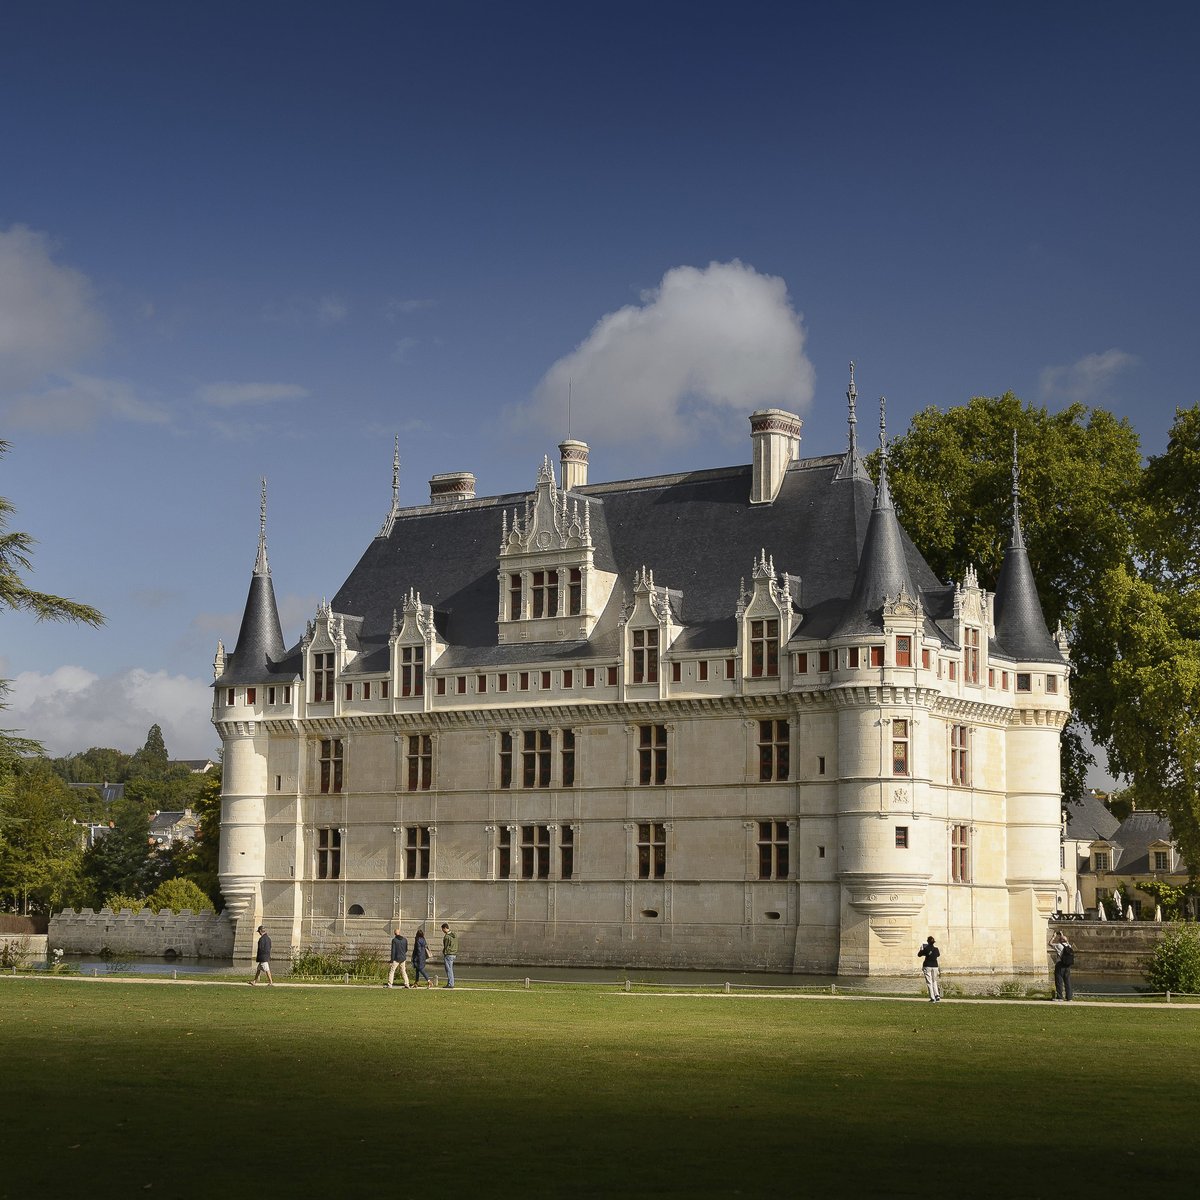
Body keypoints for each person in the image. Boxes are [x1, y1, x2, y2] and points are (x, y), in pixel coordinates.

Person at [1049, 930, 1074, 1001]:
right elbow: (1066, 941)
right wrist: (1062, 935)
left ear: (1060, 940)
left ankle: (1060, 997)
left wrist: (1053, 937)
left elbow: (1050, 943)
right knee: (1067, 982)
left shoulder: (1058, 946)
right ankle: (1069, 998)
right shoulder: (1069, 946)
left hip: (1060, 965)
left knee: (1059, 981)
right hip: (1067, 966)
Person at [917, 935, 941, 1001]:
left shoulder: (926, 948)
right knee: (934, 981)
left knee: (929, 982)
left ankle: (932, 997)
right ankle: (937, 995)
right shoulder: (936, 949)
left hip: (927, 965)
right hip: (935, 966)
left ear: (928, 942)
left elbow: (919, 955)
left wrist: (921, 949)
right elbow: (938, 955)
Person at [441, 922, 459, 989]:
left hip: (448, 954)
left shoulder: (447, 937)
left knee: (448, 970)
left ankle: (450, 983)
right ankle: (450, 983)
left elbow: (445, 946)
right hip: (454, 954)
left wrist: (444, 952)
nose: (442, 931)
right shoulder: (454, 935)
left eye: (443, 929)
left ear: (445, 928)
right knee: (450, 969)